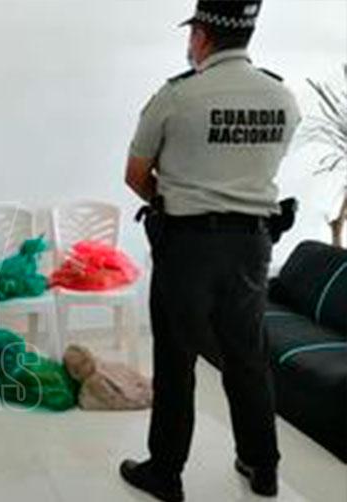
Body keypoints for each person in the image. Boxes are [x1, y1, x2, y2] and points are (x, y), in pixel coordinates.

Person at [120, 1, 301, 500]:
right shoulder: (283, 97)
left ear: (201, 35)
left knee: (176, 361)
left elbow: (135, 175)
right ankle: (263, 467)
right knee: (247, 357)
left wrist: (176, 198)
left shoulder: (177, 96)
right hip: (252, 247)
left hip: (187, 248)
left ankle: (166, 473)